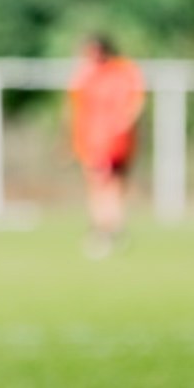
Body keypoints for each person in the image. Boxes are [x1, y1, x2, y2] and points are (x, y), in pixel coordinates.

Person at [68, 34, 146, 257]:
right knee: (106, 186)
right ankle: (110, 230)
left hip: (107, 142)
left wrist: (119, 128)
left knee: (105, 186)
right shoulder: (94, 74)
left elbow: (134, 105)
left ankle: (104, 232)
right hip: (99, 142)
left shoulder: (116, 73)